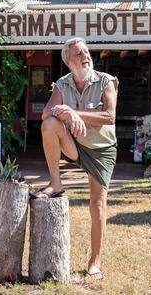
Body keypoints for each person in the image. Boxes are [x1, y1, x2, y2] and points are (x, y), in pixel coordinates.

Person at [38, 37, 118, 280]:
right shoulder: (62, 85)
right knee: (49, 124)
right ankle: (56, 182)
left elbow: (109, 117)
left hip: (101, 149)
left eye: (86, 52)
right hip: (75, 145)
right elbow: (45, 113)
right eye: (78, 54)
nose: (85, 56)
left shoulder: (105, 81)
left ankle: (95, 262)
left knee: (96, 206)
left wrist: (74, 113)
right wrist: (62, 113)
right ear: (67, 61)